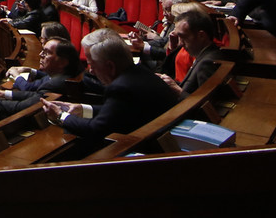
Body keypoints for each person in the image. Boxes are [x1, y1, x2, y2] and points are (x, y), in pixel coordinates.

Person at [42, 30, 180, 149]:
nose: (91, 71)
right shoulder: (141, 71)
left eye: (92, 64)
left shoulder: (120, 88)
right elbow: (117, 112)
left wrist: (61, 116)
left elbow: (95, 130)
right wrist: (82, 109)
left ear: (110, 66)